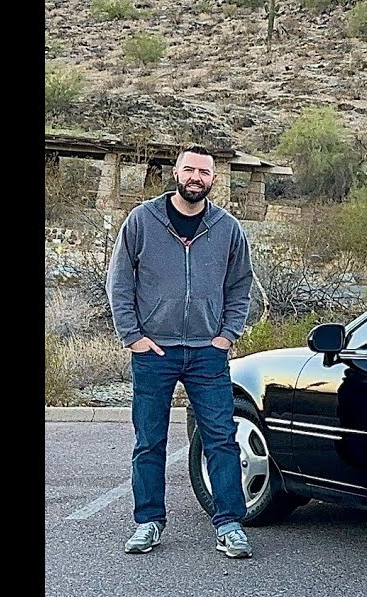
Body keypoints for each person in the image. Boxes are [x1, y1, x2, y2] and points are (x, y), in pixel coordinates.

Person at [106, 145, 255, 559]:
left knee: (221, 439)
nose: (196, 177)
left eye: (204, 172)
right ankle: (148, 522)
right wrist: (132, 336)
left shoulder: (227, 228)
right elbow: (119, 281)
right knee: (149, 441)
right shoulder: (142, 220)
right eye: (189, 169)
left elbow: (240, 285)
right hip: (154, 351)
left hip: (208, 352)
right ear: (175, 173)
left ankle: (229, 525)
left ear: (212, 179)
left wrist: (227, 335)